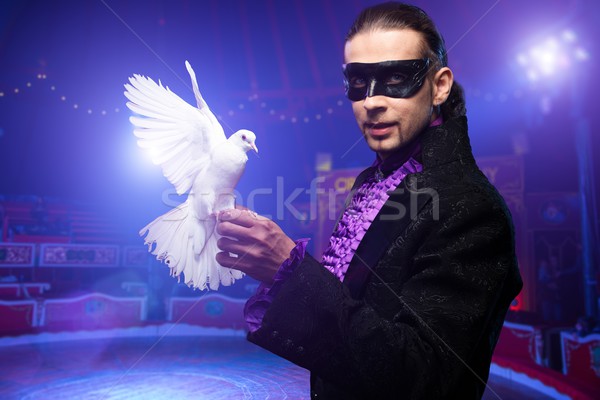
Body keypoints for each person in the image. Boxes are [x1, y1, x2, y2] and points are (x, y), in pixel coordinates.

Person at [216, 2, 523, 399]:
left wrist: (289, 271)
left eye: (397, 77)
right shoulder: (373, 182)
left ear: (440, 85)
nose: (372, 101)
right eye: (358, 82)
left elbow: (425, 378)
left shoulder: (473, 209)